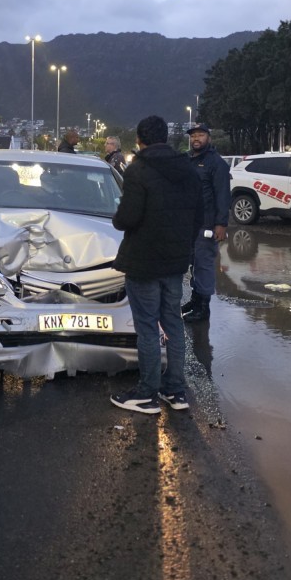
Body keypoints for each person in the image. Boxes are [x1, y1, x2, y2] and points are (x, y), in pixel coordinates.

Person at [110, 115, 202, 414]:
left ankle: (147, 393)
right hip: (175, 263)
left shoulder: (139, 170)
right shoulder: (188, 169)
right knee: (173, 323)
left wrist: (117, 218)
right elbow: (198, 216)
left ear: (140, 140)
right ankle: (175, 391)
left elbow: (127, 218)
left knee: (148, 327)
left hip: (144, 262)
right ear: (166, 137)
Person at [182, 123, 231, 322]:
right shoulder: (189, 160)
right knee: (194, 263)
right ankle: (195, 300)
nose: (196, 138)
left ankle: (203, 308)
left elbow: (223, 195)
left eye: (200, 135)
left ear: (208, 138)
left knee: (204, 265)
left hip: (207, 223)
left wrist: (221, 224)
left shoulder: (216, 163)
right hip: (190, 223)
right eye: (193, 135)